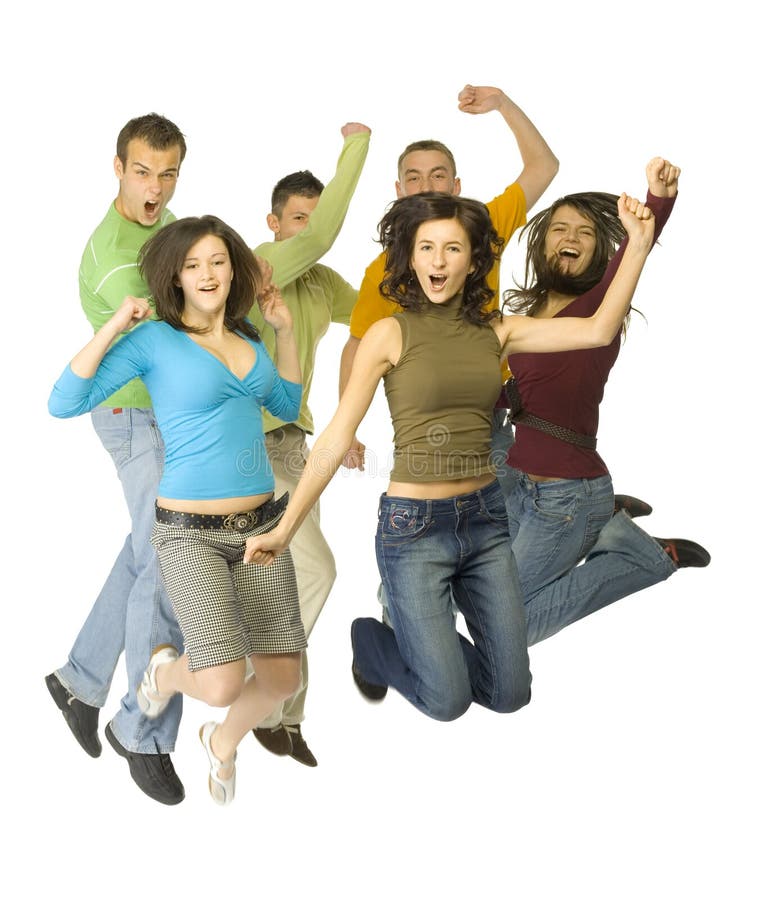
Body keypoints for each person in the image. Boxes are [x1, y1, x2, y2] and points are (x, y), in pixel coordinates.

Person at [245, 188, 658, 721]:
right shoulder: (389, 335)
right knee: (448, 700)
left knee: (510, 695)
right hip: (413, 529)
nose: (438, 261)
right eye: (426, 248)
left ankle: (428, 645)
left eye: (453, 249)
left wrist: (640, 246)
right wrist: (282, 528)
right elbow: (330, 441)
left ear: (473, 260)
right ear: (410, 257)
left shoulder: (497, 331)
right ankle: (373, 641)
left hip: (485, 524)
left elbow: (597, 328)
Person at [49, 215, 306, 805]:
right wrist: (116, 324)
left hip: (263, 528)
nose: (208, 273)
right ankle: (162, 673)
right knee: (217, 683)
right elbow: (64, 401)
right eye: (193, 265)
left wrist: (284, 332)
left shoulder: (249, 338)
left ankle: (220, 744)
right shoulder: (155, 341)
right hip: (190, 534)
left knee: (281, 681)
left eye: (218, 260)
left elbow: (287, 402)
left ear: (234, 268)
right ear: (176, 277)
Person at [499, 158, 710, 648]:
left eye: (585, 232)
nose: (569, 236)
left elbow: (637, 249)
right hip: (515, 478)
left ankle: (640, 556)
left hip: (566, 493)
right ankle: (605, 519)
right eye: (559, 228)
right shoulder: (519, 317)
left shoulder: (596, 306)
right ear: (542, 241)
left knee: (509, 628)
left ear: (598, 250)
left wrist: (658, 198)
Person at [45, 113, 189, 805]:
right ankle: (145, 732)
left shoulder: (166, 226)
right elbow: (169, 335)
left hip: (168, 415)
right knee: (172, 563)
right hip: (136, 416)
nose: (156, 187)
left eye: (168, 174)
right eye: (142, 171)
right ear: (117, 167)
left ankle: (79, 682)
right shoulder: (113, 258)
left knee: (145, 554)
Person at [338, 84, 559, 478]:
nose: (426, 187)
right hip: (426, 424)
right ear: (399, 190)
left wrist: (503, 105)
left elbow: (544, 167)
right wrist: (346, 428)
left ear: (456, 187)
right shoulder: (382, 269)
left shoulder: (485, 226)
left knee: (518, 514)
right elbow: (356, 345)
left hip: (494, 413)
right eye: (414, 178)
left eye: (438, 176)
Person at [247, 122, 371, 767]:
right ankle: (262, 703)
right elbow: (325, 235)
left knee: (298, 577)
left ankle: (287, 717)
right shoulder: (256, 269)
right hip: (254, 449)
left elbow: (380, 317)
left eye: (314, 221)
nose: (312, 233)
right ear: (274, 224)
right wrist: (358, 145)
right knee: (318, 570)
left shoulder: (321, 284)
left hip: (300, 447)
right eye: (300, 219)